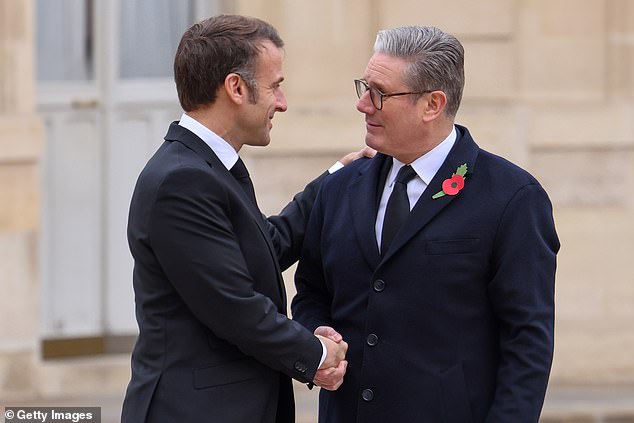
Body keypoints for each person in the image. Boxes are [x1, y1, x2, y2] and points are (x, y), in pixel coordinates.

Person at [292, 25, 560, 423]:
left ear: (432, 104)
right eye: (363, 87)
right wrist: (316, 337)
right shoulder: (340, 188)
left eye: (379, 93)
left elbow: (527, 342)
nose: (363, 104)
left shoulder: (512, 197)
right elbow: (311, 293)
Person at [121, 14, 362, 423]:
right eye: (275, 86)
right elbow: (235, 306)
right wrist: (317, 353)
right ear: (235, 87)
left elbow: (266, 244)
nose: (282, 102)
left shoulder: (208, 166)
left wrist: (335, 181)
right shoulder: (182, 179)